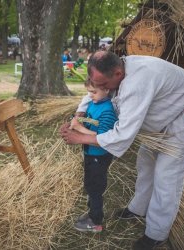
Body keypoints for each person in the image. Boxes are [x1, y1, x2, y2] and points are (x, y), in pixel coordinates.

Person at [60, 51, 184, 250]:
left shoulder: (138, 82)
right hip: (160, 121)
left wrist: (80, 137)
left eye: (104, 85)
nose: (102, 88)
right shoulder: (118, 70)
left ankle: (156, 234)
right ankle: (138, 209)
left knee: (167, 176)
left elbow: (122, 134)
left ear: (117, 73)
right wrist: (79, 113)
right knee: (145, 162)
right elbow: (95, 89)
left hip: (183, 118)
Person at [70, 79, 118, 233]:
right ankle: (92, 212)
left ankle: (96, 222)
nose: (90, 95)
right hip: (90, 154)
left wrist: (79, 129)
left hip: (99, 155)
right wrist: (79, 120)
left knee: (95, 187)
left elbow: (103, 136)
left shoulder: (108, 110)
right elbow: (92, 121)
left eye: (94, 92)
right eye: (89, 91)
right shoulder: (94, 103)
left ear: (107, 90)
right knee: (90, 184)